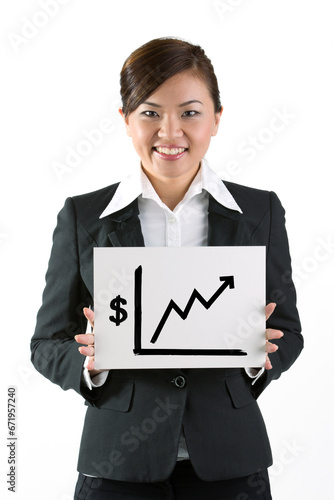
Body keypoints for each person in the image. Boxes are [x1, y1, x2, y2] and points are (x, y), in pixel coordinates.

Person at [31, 37, 303, 499]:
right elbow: (46, 343)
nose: (170, 132)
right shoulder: (83, 216)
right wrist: (89, 365)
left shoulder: (260, 212)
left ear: (217, 118)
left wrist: (259, 359)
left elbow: (287, 332)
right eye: (151, 113)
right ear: (126, 120)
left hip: (231, 462)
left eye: (190, 112)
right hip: (117, 463)